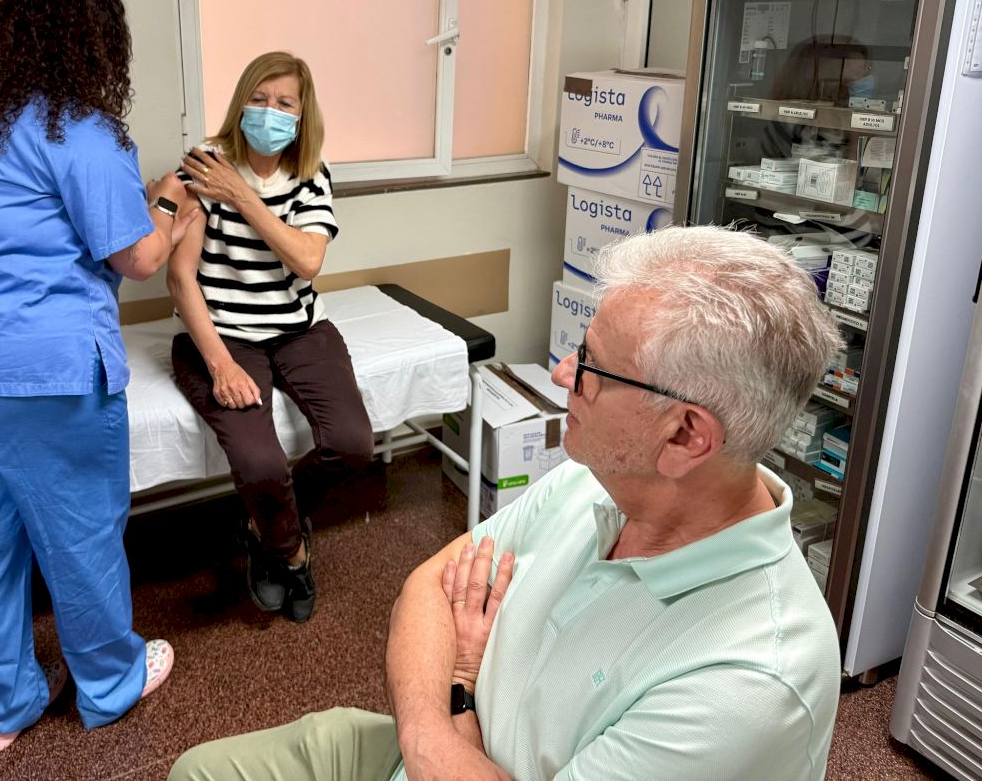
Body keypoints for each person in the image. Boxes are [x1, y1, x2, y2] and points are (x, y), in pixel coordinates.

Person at [168, 225, 845, 781]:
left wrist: (461, 685)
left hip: (442, 735)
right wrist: (440, 728)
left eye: (592, 366)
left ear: (685, 434)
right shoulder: (603, 481)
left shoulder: (748, 682)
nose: (562, 372)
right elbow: (428, 586)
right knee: (197, 771)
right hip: (419, 748)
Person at [0, 0, 197, 756]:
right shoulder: (81, 131)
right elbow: (139, 257)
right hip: (37, 376)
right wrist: (169, 198)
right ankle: (111, 680)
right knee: (79, 535)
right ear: (96, 45)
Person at [166, 50, 373, 625]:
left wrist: (242, 196)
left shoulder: (310, 173)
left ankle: (264, 522)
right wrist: (220, 364)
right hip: (224, 335)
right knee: (260, 461)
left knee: (353, 443)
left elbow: (307, 260)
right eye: (258, 99)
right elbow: (180, 278)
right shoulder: (204, 167)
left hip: (300, 329)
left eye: (284, 103)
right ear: (240, 103)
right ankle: (290, 551)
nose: (269, 111)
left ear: (302, 115)